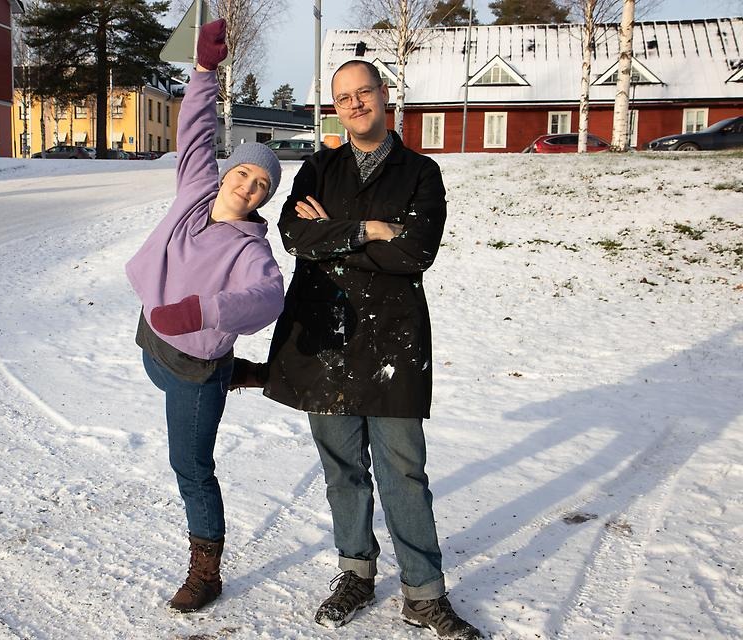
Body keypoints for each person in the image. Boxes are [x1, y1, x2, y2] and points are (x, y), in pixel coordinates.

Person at [251, 59, 482, 638]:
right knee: (342, 471)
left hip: (393, 340)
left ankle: (423, 594)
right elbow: (294, 235)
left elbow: (415, 254)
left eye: (364, 93)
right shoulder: (319, 167)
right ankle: (355, 572)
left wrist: (333, 236)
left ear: (385, 96)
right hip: (326, 338)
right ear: (336, 107)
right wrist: (371, 229)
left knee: (404, 471)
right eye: (343, 97)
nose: (354, 104)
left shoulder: (421, 173)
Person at [124, 19, 284, 614]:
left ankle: (207, 569)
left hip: (194, 367)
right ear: (229, 170)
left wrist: (204, 310)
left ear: (265, 198)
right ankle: (240, 372)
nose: (249, 185)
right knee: (169, 370)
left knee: (190, 466)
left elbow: (267, 299)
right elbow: (193, 132)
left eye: (262, 184)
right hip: (156, 345)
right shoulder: (196, 190)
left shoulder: (252, 250)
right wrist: (203, 73)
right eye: (244, 172)